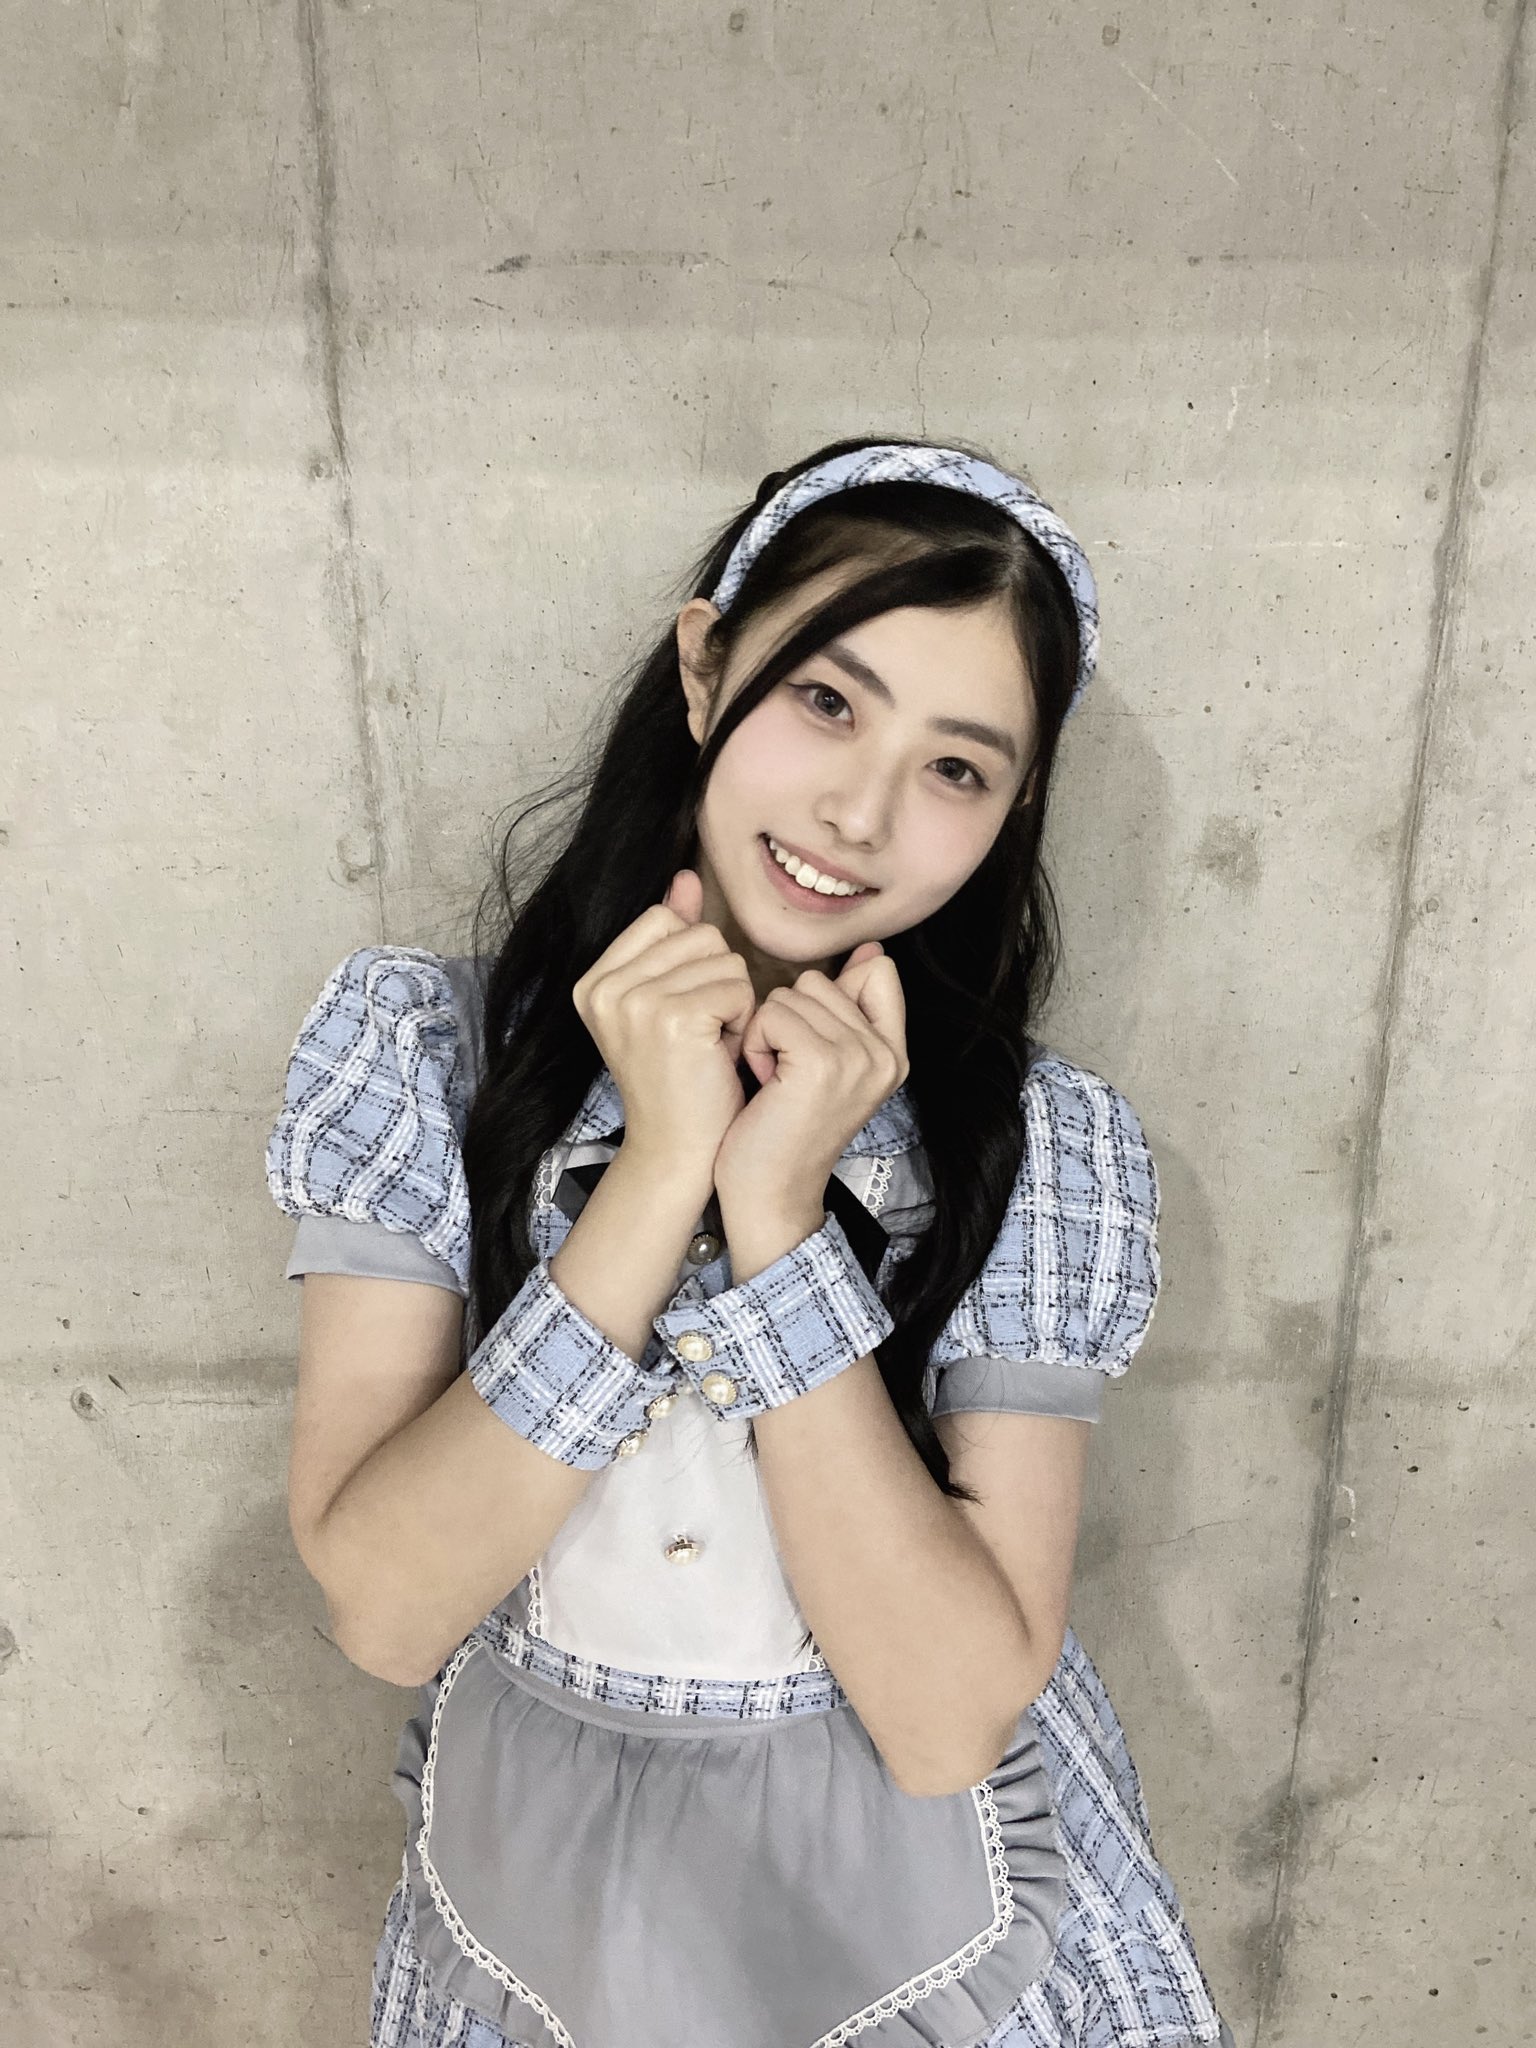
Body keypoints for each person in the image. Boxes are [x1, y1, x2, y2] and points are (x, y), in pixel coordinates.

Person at [264, 437, 1235, 2048]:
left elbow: (944, 1721)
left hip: (939, 1920)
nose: (861, 812)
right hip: (547, 1909)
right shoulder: (424, 1052)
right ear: (708, 666)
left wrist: (780, 1218)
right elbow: (384, 1608)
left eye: (957, 769)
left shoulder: (1040, 1143)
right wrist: (660, 1168)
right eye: (829, 701)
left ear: (1013, 808)